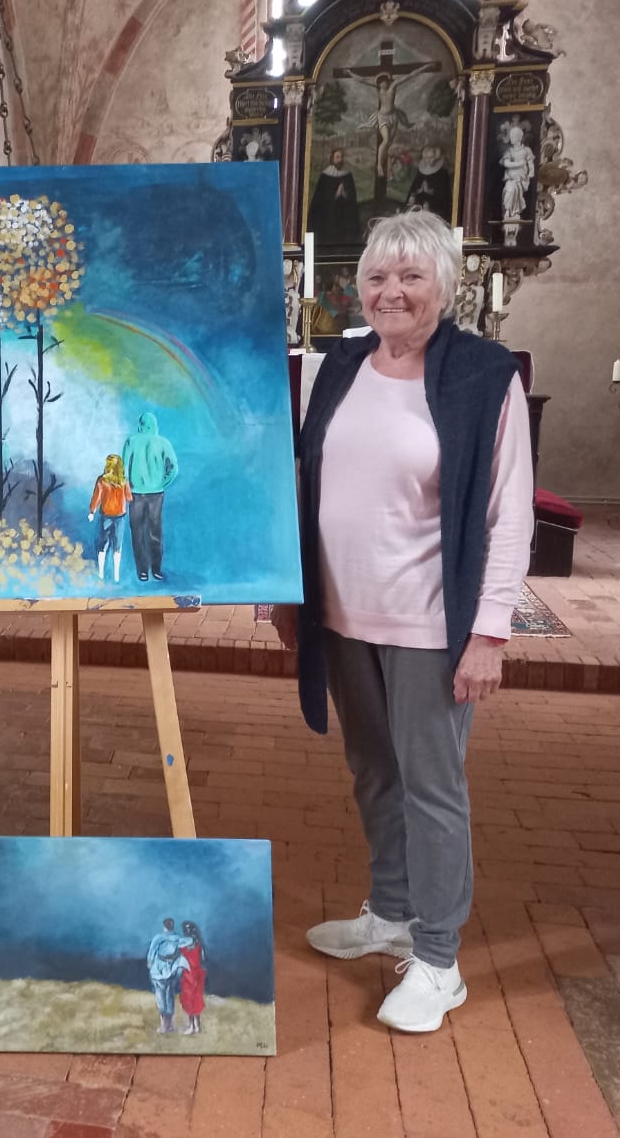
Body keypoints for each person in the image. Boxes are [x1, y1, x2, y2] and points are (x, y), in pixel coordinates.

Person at [270, 209, 532, 1034]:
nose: (391, 292)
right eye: (378, 276)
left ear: (445, 288)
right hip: (344, 615)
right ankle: (390, 912)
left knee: (432, 787)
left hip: (428, 622)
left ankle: (440, 958)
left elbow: (509, 511)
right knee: (374, 771)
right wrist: (285, 590)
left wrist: (488, 631)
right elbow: (302, 482)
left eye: (412, 277)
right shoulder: (336, 366)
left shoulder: (484, 377)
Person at [121, 413, 178, 583]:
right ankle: (157, 570)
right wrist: (162, 482)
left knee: (137, 533)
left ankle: (142, 572)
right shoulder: (163, 442)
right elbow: (173, 468)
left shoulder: (131, 441)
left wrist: (127, 490)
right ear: (154, 426)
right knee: (155, 532)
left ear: (140, 425)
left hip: (135, 494)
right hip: (156, 493)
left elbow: (123, 470)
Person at [87, 453, 133, 582]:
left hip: (105, 516)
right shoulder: (124, 481)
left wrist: (92, 512)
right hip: (120, 517)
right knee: (117, 547)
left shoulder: (102, 480)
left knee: (102, 545)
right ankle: (116, 576)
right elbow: (129, 498)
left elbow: (96, 498)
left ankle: (101, 573)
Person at [146, 917, 192, 1035]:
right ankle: (168, 1025)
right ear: (172, 926)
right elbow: (189, 941)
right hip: (171, 969)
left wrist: (150, 964)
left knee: (162, 997)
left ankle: (165, 1025)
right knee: (169, 996)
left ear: (164, 926)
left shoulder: (159, 938)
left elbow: (151, 953)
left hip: (159, 970)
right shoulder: (177, 938)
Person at [308, 147, 361, 246]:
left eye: (341, 157)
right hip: (329, 215)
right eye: (337, 157)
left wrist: (344, 193)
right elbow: (320, 197)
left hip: (344, 215)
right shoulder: (325, 175)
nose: (340, 160)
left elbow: (352, 196)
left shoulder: (347, 175)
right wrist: (336, 194)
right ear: (332, 159)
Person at [404, 144, 453, 220]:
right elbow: (413, 188)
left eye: (431, 157)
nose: (429, 160)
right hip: (418, 209)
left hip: (435, 209)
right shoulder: (420, 171)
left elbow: (444, 196)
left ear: (436, 157)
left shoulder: (443, 173)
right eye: (427, 158)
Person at [178, 920, 207, 1035]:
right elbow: (203, 959)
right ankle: (197, 1026)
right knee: (196, 999)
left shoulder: (183, 945)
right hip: (197, 974)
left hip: (188, 974)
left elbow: (179, 959)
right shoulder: (199, 945)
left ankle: (191, 1026)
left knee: (189, 999)